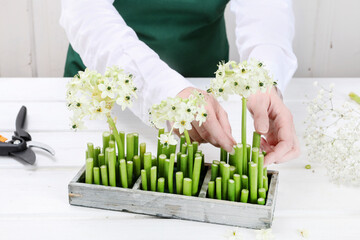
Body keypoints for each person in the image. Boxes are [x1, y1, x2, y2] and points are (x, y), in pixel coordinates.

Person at [60, 0, 300, 165]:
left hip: (202, 82)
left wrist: (263, 77)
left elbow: (265, 9)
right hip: (102, 94)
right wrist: (165, 90)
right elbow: (84, 11)